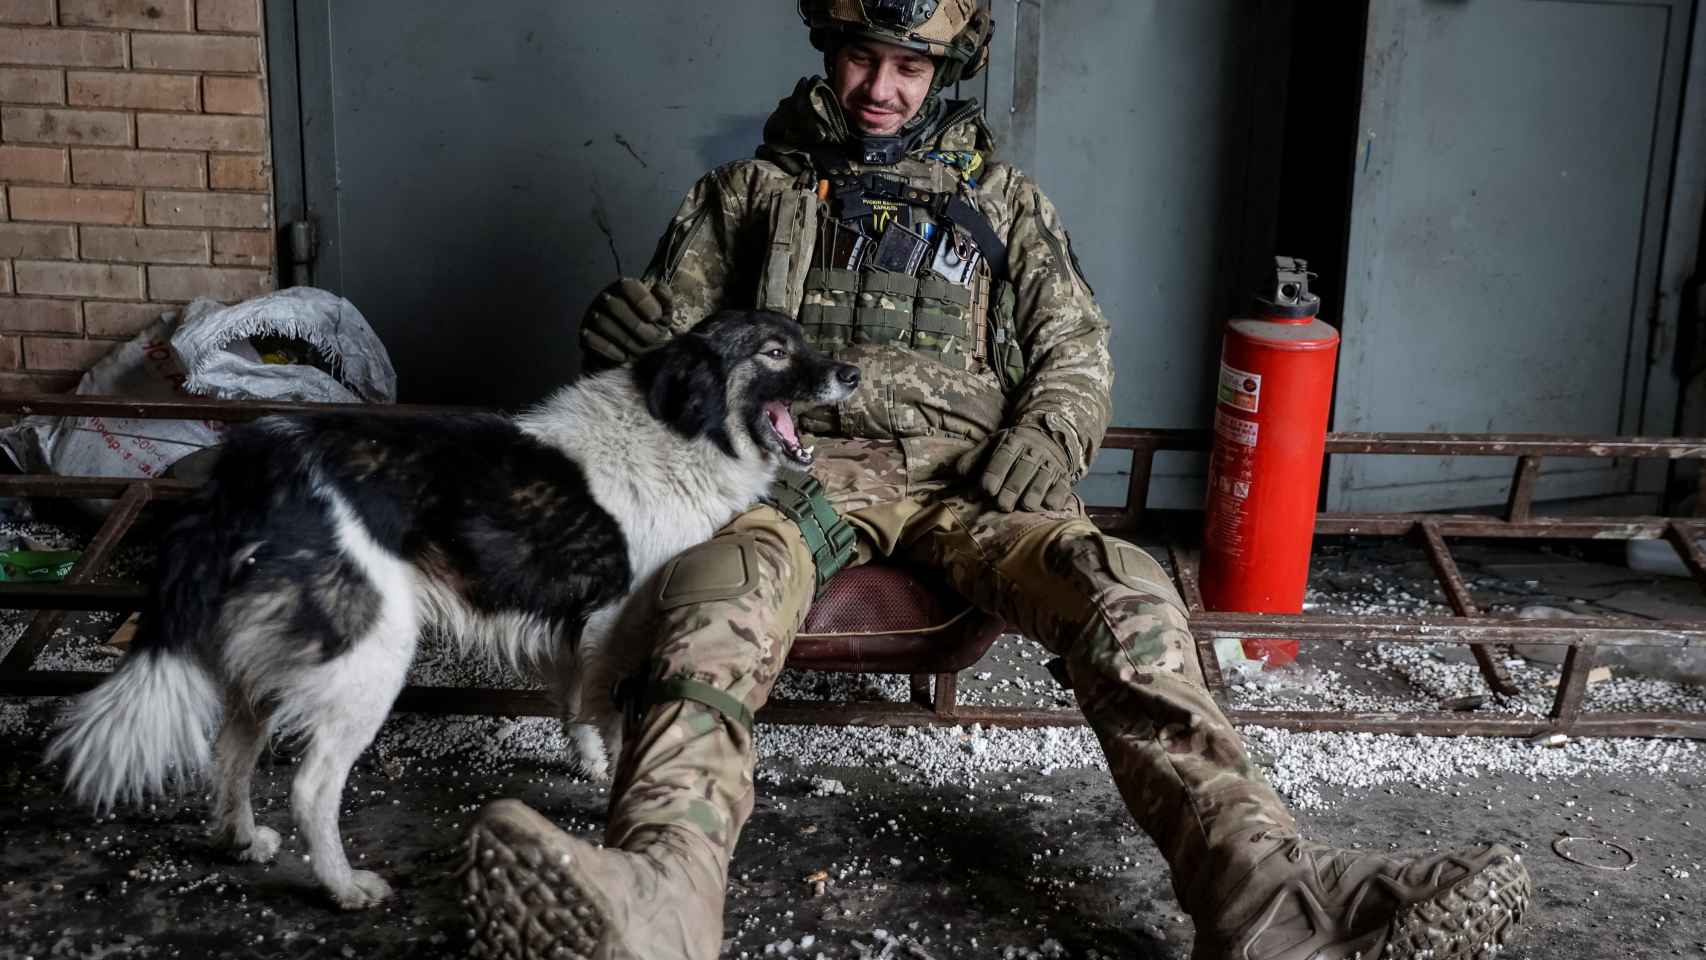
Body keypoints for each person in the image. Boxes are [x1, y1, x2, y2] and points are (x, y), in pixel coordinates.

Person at [460, 3, 1531, 958]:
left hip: (970, 486)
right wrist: (636, 351)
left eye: (909, 69)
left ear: (945, 72)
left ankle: (1272, 904)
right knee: (707, 607)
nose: (880, 90)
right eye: (861, 59)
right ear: (828, 51)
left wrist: (1052, 432)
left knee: (1123, 592)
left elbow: (1073, 351)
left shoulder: (1004, 204)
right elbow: (676, 353)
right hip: (794, 478)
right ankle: (658, 898)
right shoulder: (748, 194)